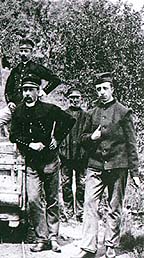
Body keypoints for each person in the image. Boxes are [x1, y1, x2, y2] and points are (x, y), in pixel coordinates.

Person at [71, 72, 141, 258]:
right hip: (95, 166)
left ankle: (111, 245)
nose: (101, 92)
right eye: (98, 89)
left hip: (118, 166)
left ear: (112, 89)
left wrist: (135, 172)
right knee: (89, 204)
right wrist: (91, 137)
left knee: (114, 207)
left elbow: (131, 144)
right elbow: (82, 139)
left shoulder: (124, 112)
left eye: (105, 88)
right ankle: (88, 247)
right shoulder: (91, 112)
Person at [9, 74, 75, 253]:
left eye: (31, 90)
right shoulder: (18, 111)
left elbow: (69, 120)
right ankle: (41, 237)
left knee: (53, 200)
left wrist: (57, 138)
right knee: (33, 200)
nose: (27, 93)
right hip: (31, 163)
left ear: (38, 91)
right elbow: (13, 135)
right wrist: (29, 144)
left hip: (50, 161)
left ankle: (53, 238)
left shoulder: (49, 109)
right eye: (24, 90)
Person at [4, 38, 62, 110]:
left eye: (26, 51)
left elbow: (56, 80)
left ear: (31, 52)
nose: (23, 53)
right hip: (15, 106)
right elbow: (8, 89)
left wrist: (44, 91)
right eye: (21, 51)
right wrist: (10, 102)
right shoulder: (15, 70)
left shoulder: (37, 68)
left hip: (32, 106)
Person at [59, 87, 88, 222]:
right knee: (66, 184)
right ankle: (68, 211)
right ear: (68, 99)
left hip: (81, 157)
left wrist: (85, 152)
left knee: (82, 185)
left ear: (81, 99)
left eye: (77, 97)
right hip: (66, 156)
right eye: (72, 97)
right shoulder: (63, 115)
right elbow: (57, 135)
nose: (75, 100)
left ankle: (81, 212)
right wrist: (61, 151)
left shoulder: (87, 116)